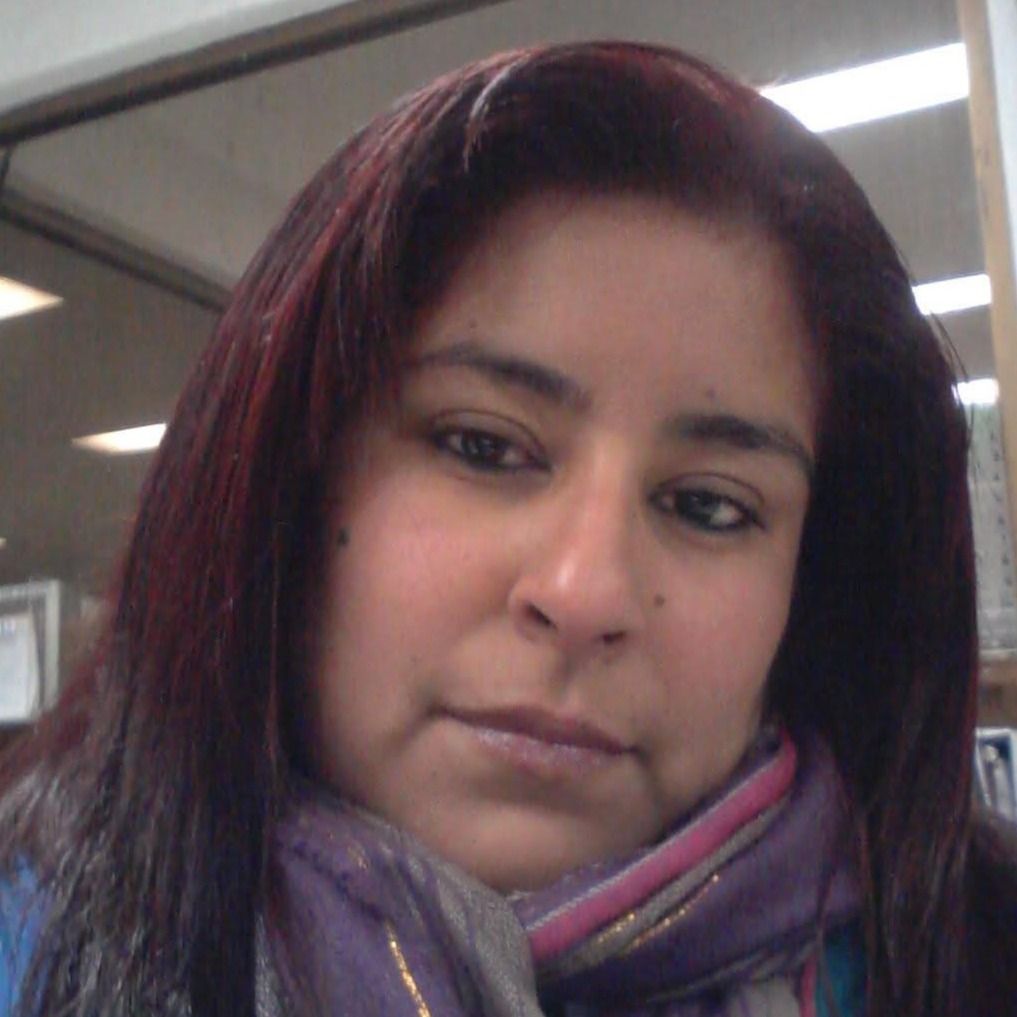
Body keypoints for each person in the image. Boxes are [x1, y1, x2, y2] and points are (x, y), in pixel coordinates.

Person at [1, 38, 1015, 1017]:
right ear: (296, 486)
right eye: (482, 446)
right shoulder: (39, 946)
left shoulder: (976, 953)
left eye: (709, 505)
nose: (584, 593)